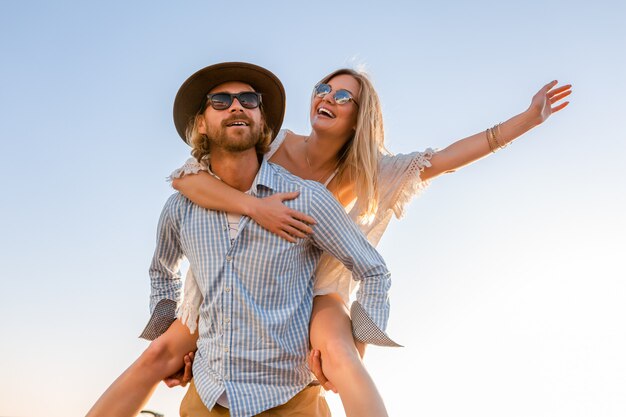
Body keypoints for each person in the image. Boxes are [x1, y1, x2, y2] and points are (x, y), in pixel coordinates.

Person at [166, 68, 572, 416]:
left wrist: (528, 119)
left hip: (319, 283)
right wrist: (253, 208)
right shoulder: (271, 144)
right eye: (322, 89)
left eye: (343, 96)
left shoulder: (372, 172)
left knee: (342, 356)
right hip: (247, 275)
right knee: (161, 355)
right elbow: (186, 179)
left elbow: (447, 158)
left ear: (360, 117)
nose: (328, 98)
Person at [86, 62, 397, 417]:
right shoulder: (182, 209)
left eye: (248, 100)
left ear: (263, 122)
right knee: (153, 357)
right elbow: (162, 271)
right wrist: (167, 328)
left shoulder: (305, 199)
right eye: (220, 101)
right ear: (201, 123)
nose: (236, 106)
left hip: (288, 400)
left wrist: (357, 347)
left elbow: (373, 270)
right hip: (206, 396)